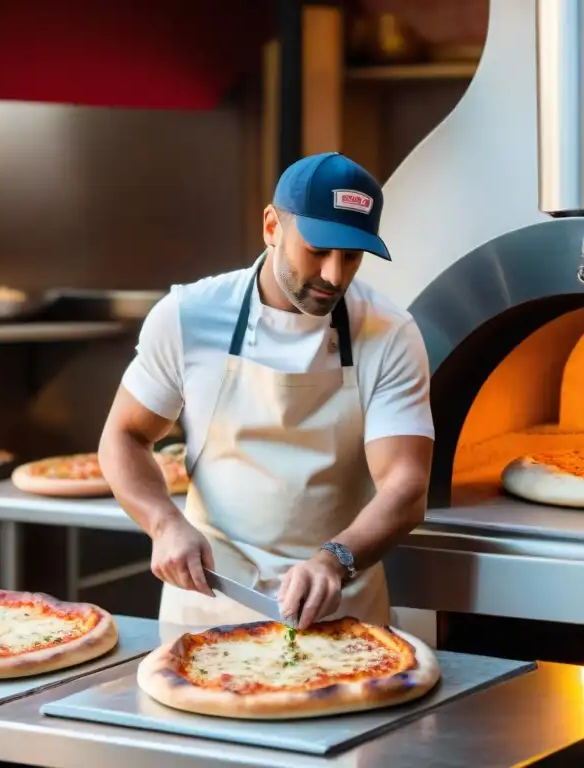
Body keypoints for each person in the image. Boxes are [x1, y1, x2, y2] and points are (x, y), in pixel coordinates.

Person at [99, 152, 435, 631]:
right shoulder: (188, 317)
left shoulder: (389, 334)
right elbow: (125, 436)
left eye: (351, 255)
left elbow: (406, 487)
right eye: (318, 251)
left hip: (340, 613)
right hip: (208, 602)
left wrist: (334, 560)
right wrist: (163, 523)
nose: (335, 276)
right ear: (272, 227)